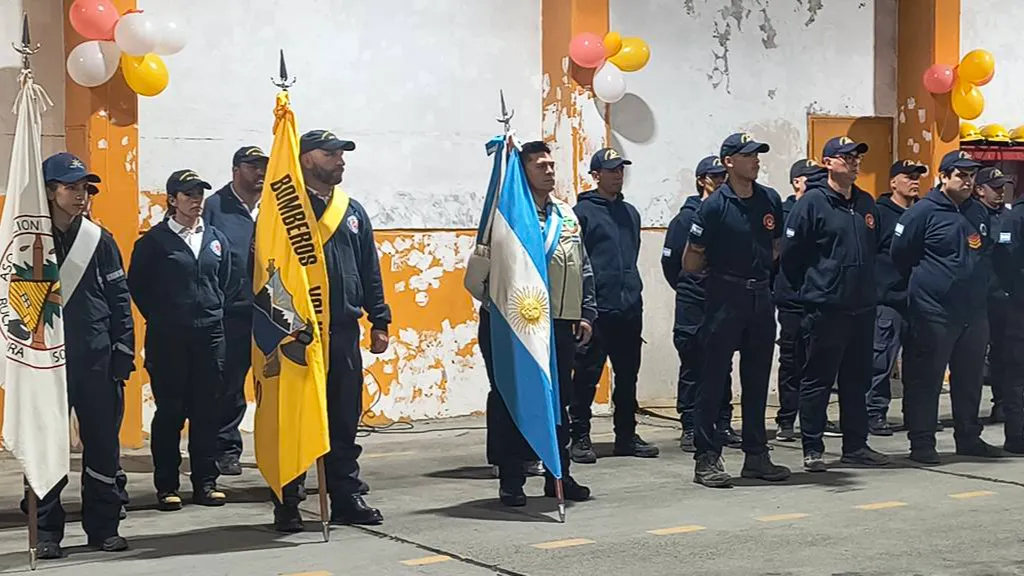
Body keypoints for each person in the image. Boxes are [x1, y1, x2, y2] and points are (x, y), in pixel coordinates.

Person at [271, 130, 391, 532]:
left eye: (342, 154)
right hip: (298, 333)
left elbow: (369, 269)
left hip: (341, 330)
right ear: (306, 159)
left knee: (343, 417)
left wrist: (380, 318)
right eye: (330, 153)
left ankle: (344, 494)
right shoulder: (284, 211)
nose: (340, 160)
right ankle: (288, 499)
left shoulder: (351, 211)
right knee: (297, 415)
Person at [27, 153, 135, 559]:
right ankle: (47, 531)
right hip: (44, 364)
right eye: (71, 187)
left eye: (85, 188)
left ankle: (104, 527)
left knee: (104, 449)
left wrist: (123, 352)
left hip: (96, 362)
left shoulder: (99, 239)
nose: (80, 195)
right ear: (50, 191)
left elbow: (119, 300)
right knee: (46, 450)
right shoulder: (27, 241)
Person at [481, 140, 597, 506]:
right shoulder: (507, 218)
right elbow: (481, 271)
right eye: (539, 166)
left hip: (560, 324)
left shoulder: (566, 215)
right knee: (510, 398)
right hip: (514, 325)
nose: (549, 171)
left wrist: (586, 311)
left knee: (558, 398)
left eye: (551, 165)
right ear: (522, 171)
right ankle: (512, 478)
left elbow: (583, 265)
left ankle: (557, 473)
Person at [681, 133, 790, 487]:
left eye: (757, 155)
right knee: (713, 380)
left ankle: (756, 454)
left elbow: (775, 247)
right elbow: (692, 259)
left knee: (757, 379)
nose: (755, 160)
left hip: (760, 297)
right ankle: (706, 458)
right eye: (747, 155)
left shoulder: (769, 199)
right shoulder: (714, 206)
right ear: (728, 162)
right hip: (724, 297)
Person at [780, 136, 890, 472]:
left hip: (862, 307)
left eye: (857, 157)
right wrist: (815, 291)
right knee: (818, 379)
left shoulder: (866, 203)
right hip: (826, 307)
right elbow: (792, 257)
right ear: (828, 162)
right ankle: (812, 447)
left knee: (857, 380)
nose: (854, 162)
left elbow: (877, 248)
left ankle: (855, 446)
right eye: (846, 157)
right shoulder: (812, 203)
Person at [128, 169, 234, 511]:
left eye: (199, 194)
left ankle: (206, 481)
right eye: (188, 195)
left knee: (206, 412)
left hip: (210, 336)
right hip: (169, 339)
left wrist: (211, 311)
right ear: (172, 200)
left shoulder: (215, 238)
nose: (196, 201)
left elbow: (226, 281)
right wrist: (165, 316)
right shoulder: (153, 243)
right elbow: (138, 287)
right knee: (171, 412)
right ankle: (167, 485)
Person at [891, 150, 1001, 464]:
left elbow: (983, 253)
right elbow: (901, 255)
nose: (967, 181)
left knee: (969, 380)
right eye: (961, 175)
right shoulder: (921, 213)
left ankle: (968, 437)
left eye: (970, 176)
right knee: (926, 381)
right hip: (933, 312)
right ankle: (922, 443)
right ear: (943, 177)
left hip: (973, 313)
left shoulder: (977, 213)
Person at [569, 148, 658, 462]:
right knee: (587, 376)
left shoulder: (630, 213)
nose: (618, 175)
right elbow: (576, 263)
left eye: (621, 170)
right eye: (611, 170)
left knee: (628, 375)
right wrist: (583, 309)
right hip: (596, 310)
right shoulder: (580, 213)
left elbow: (631, 254)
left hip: (629, 307)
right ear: (596, 175)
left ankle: (626, 435)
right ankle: (578, 436)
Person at [662, 156, 739, 452]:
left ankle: (723, 423)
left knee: (723, 366)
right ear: (701, 180)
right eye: (714, 176)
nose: (720, 181)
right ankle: (691, 425)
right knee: (693, 366)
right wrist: (690, 286)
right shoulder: (685, 220)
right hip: (693, 305)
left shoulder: (728, 214)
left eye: (723, 176)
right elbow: (672, 265)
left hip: (721, 302)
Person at [202, 145, 268, 476]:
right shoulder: (214, 207)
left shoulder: (275, 205)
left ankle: (277, 448)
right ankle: (225, 449)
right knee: (228, 384)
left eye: (263, 166)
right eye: (252, 166)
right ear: (235, 169)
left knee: (275, 384)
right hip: (232, 312)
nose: (259, 172)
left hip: (272, 312)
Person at [867, 160, 928, 436]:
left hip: (917, 300)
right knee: (880, 361)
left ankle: (916, 415)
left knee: (918, 364)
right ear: (893, 182)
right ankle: (874, 413)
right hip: (887, 299)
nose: (914, 181)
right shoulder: (880, 213)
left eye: (917, 177)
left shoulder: (924, 213)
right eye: (908, 176)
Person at [773, 159, 827, 442]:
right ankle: (787, 418)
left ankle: (817, 417)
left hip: (820, 297)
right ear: (797, 181)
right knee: (792, 359)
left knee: (819, 361)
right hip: (792, 297)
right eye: (812, 178)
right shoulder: (783, 212)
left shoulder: (826, 207)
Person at [975, 168, 1012, 429]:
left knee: (1003, 355)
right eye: (994, 187)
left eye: (1002, 187)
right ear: (980, 190)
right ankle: (966, 413)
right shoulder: (971, 216)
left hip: (1002, 299)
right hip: (975, 300)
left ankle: (1001, 404)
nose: (1000, 192)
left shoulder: (1009, 218)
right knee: (972, 358)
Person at [993, 171, 1024, 454]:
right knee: (1017, 373)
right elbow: (1006, 262)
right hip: (1019, 305)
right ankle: (1017, 435)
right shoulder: (1016, 217)